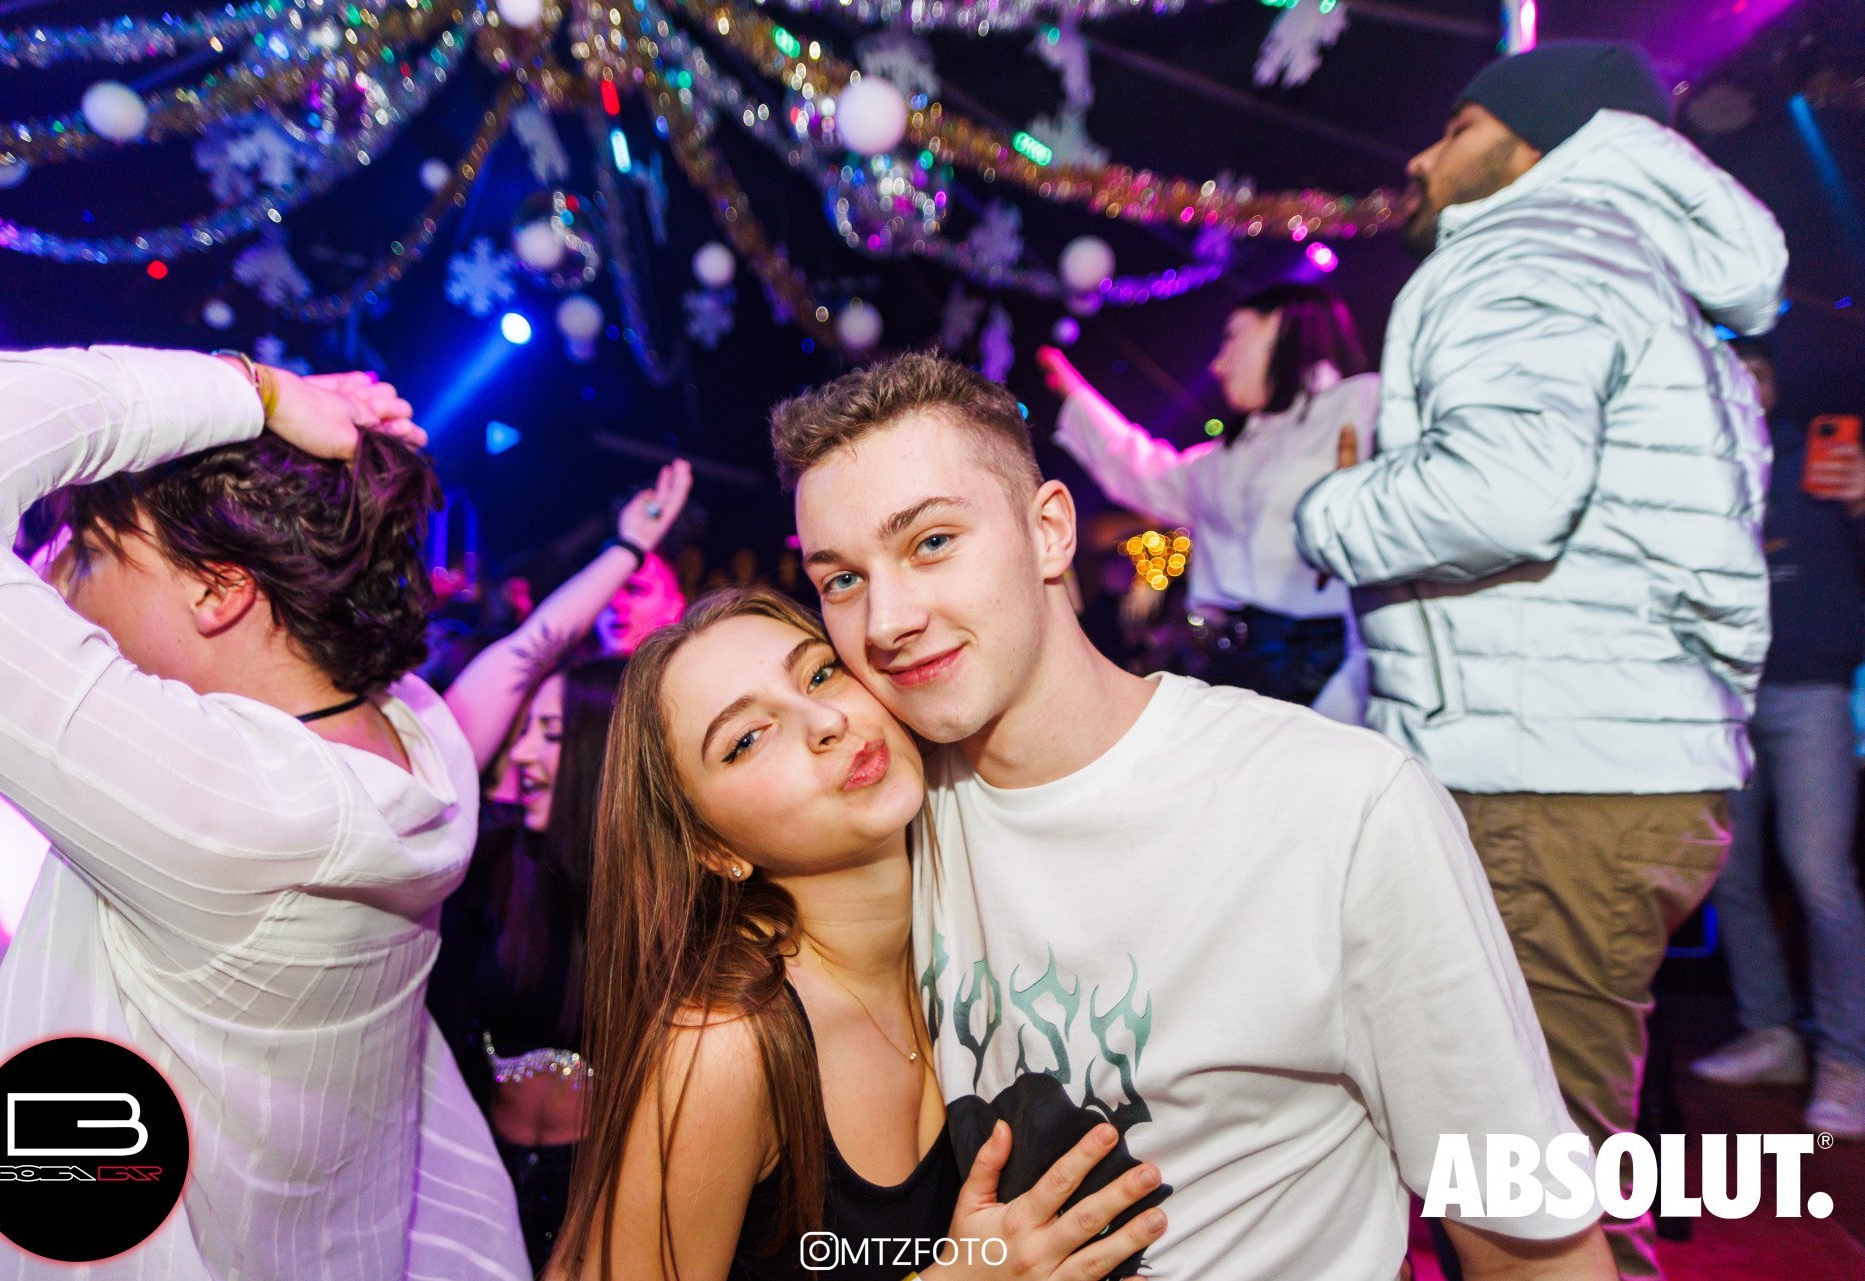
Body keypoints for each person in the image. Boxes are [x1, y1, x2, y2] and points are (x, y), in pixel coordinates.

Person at [774, 351, 1613, 1279]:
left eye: (932, 542)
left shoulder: (1341, 807)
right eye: (841, 580)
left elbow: (1533, 1245)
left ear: (1049, 532)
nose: (885, 620)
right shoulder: (886, 818)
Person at [1292, 40, 1786, 1280]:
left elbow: (1503, 494)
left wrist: (1330, 511)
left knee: (1534, 1208)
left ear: (1539, 142)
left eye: (1456, 126)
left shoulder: (1533, 245)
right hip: (1608, 762)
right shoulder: (1637, 265)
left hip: (1547, 775)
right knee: (1537, 1173)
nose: (1421, 156)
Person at [0, 346, 527, 1277]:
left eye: (88, 551)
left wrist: (246, 389)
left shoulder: (220, 799)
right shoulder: (418, 741)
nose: (49, 580)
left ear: (220, 588)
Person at [547, 587, 1171, 1281]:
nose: (825, 720)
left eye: (820, 673)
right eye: (747, 739)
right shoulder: (724, 1045)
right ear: (711, 848)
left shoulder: (968, 935)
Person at [426, 464, 690, 1269]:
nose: (522, 754)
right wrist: (622, 547)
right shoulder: (493, 865)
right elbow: (518, 657)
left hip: (603, 1186)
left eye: (548, 735)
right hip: (480, 1172)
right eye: (522, 732)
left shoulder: (661, 895)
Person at [1036, 283, 1377, 722]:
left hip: (1324, 669)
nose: (1217, 365)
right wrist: (1075, 394)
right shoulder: (1231, 454)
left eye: (1232, 336)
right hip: (1231, 666)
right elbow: (1144, 472)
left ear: (1278, 325)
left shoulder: (1362, 405)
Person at [1690, 340, 1865, 1140]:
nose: (1741, 383)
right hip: (1720, 696)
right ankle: (1771, 1034)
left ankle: (1848, 1060)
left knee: (1821, 876)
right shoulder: (1694, 469)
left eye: (1755, 371)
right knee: (1729, 874)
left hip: (1810, 693)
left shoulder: (1819, 463)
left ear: (1773, 383)